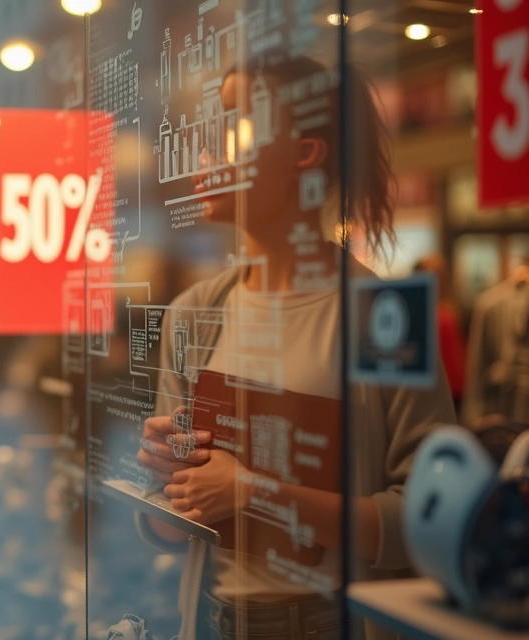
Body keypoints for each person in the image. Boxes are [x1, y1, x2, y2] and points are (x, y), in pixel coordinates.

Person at [134, 57, 456, 640]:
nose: (208, 151)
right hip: (212, 619)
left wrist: (254, 493)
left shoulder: (384, 317)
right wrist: (166, 476)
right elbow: (170, 521)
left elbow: (428, 520)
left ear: (305, 152)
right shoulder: (194, 312)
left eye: (236, 123)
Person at [413, 254, 467, 415]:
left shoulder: (448, 307)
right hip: (435, 389)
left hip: (455, 387)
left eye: (440, 275)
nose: (439, 281)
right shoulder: (421, 312)